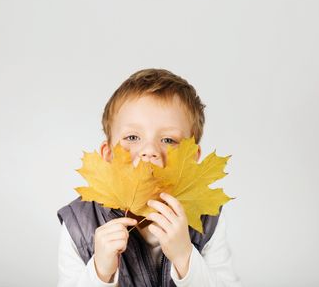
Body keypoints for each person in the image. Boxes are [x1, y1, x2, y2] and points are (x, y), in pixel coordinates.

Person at [57, 68, 242, 287]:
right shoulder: (80, 222)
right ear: (108, 155)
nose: (149, 151)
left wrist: (185, 257)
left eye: (168, 140)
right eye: (133, 137)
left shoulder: (206, 219)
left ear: (190, 159)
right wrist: (100, 272)